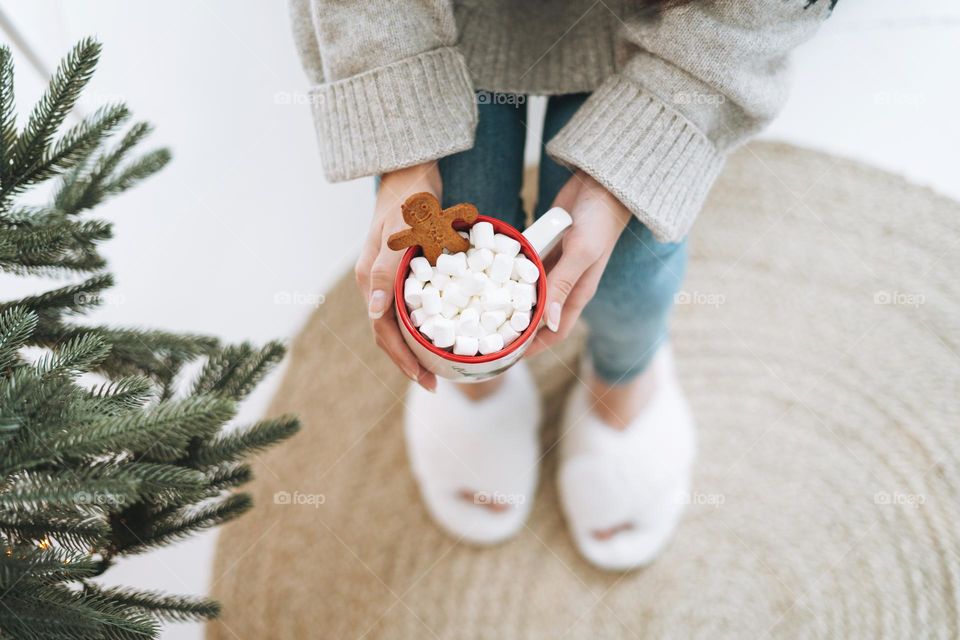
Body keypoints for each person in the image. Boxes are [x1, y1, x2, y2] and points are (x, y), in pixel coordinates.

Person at [290, 0, 833, 571]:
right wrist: (403, 137)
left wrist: (647, 138)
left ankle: (625, 376)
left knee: (624, 262)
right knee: (451, 205)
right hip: (434, 15)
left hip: (660, 17)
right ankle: (475, 380)